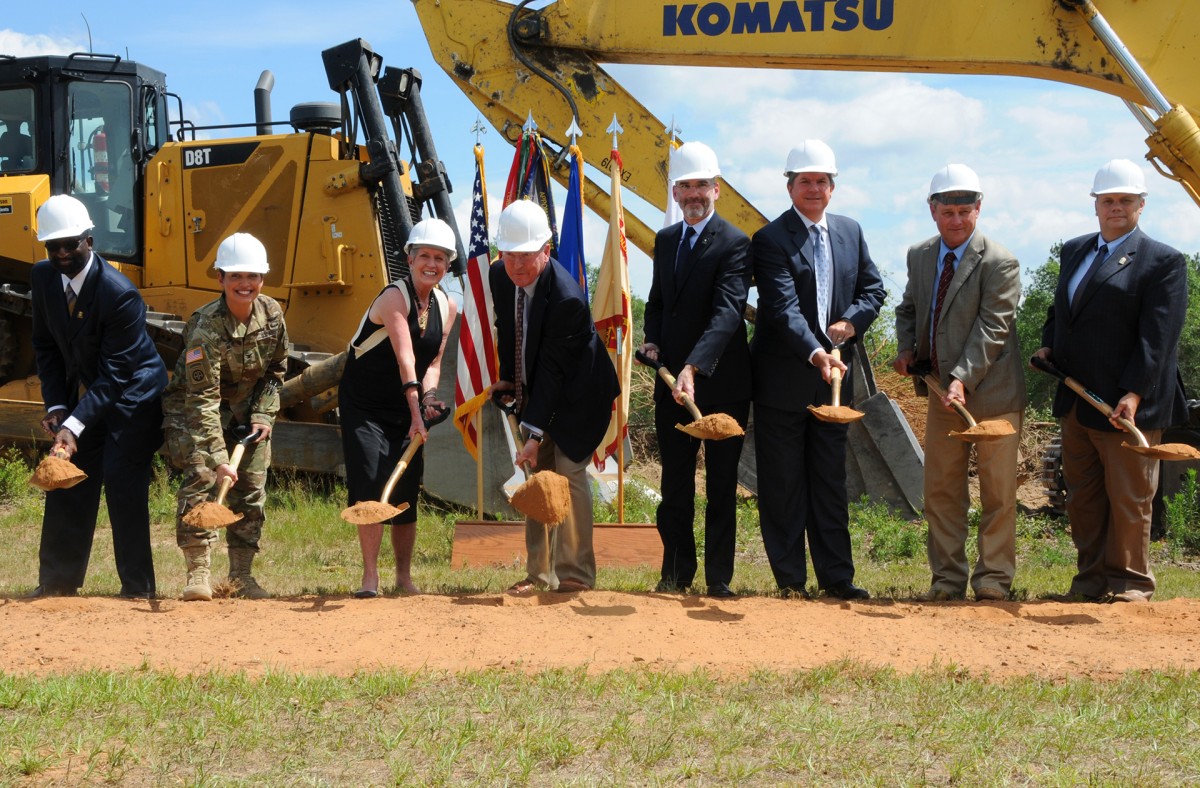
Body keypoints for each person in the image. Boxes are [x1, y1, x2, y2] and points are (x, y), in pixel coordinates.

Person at [1035, 159, 1188, 603]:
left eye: (1124, 200)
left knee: (1130, 498)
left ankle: (1131, 586)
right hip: (1078, 399)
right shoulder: (1075, 250)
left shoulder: (1163, 261)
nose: (1115, 207)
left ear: (1141, 205)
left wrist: (1135, 393)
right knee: (1082, 498)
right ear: (1095, 206)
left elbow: (1158, 336)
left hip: (1125, 406)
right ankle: (1090, 581)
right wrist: (1048, 345)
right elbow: (1059, 311)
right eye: (1108, 200)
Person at [750, 139, 885, 600]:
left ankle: (837, 579)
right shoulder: (769, 240)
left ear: (833, 187)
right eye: (804, 181)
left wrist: (850, 323)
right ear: (789, 187)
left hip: (834, 388)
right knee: (784, 483)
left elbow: (873, 289)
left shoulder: (851, 232)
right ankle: (790, 580)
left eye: (821, 181)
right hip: (784, 381)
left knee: (830, 481)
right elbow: (783, 308)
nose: (813, 188)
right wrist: (816, 351)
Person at [892, 164, 1025, 602]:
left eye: (965, 210)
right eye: (948, 210)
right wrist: (908, 347)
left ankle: (993, 581)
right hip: (940, 395)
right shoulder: (920, 255)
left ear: (979, 208)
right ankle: (947, 580)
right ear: (932, 211)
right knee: (942, 491)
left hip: (994, 396)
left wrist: (962, 379)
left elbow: (993, 327)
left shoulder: (999, 262)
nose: (957, 219)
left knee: (997, 493)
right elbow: (908, 308)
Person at [28, 194, 168, 599]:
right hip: (94, 389)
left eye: (71, 244)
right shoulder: (42, 279)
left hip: (134, 392)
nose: (62, 253)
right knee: (67, 480)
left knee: (123, 482)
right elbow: (45, 346)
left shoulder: (118, 292)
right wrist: (57, 407)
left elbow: (118, 373)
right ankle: (57, 582)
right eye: (53, 246)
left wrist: (73, 424)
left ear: (89, 238)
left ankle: (137, 589)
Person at [639, 141, 751, 598]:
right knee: (675, 485)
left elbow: (728, 314)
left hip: (721, 383)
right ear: (675, 191)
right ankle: (676, 574)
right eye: (684, 186)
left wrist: (694, 366)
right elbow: (659, 301)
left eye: (701, 185)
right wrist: (652, 339)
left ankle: (718, 579)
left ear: (716, 189)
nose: (692, 194)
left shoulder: (735, 243)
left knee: (722, 485)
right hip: (672, 386)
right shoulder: (666, 241)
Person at [490, 199, 619, 594]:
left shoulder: (566, 297)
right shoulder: (500, 276)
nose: (518, 265)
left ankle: (575, 573)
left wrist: (533, 435)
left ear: (546, 250)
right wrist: (509, 380)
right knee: (539, 479)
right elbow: (511, 330)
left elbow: (554, 370)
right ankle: (538, 575)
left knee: (568, 475)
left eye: (527, 256)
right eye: (510, 255)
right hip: (541, 390)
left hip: (580, 397)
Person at [163, 233, 289, 601]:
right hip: (197, 411)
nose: (244, 284)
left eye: (252, 276)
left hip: (248, 412)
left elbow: (276, 370)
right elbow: (201, 400)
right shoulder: (206, 328)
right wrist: (219, 459)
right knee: (202, 481)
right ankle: (198, 574)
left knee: (251, 489)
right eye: (235, 276)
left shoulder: (272, 314)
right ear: (220, 279)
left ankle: (241, 578)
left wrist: (264, 415)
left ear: (262, 279)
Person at [339, 218, 459, 598]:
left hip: (405, 404)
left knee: (407, 485)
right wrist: (415, 411)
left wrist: (427, 401)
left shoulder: (447, 305)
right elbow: (407, 359)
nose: (432, 264)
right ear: (409, 259)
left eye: (440, 258)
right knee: (372, 481)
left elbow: (432, 364)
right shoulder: (394, 297)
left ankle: (404, 578)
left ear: (448, 264)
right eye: (424, 255)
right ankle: (370, 577)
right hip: (365, 405)